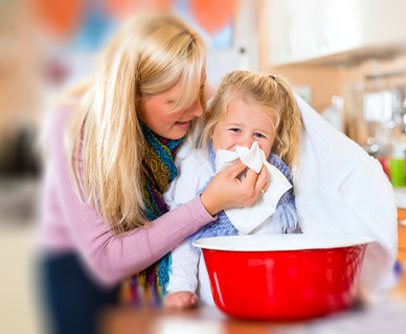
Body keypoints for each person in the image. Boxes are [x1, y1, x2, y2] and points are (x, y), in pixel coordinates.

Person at [37, 14, 269, 334]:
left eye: (199, 89)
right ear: (133, 96)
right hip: (81, 271)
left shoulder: (189, 98)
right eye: (179, 102)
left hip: (157, 257)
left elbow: (255, 106)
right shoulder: (76, 126)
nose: (199, 110)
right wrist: (206, 205)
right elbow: (105, 260)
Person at [161, 71, 303, 308]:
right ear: (213, 128)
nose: (246, 144)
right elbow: (183, 236)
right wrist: (180, 286)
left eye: (259, 135)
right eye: (235, 130)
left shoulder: (276, 175)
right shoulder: (197, 166)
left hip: (267, 288)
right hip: (215, 295)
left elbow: (288, 233)